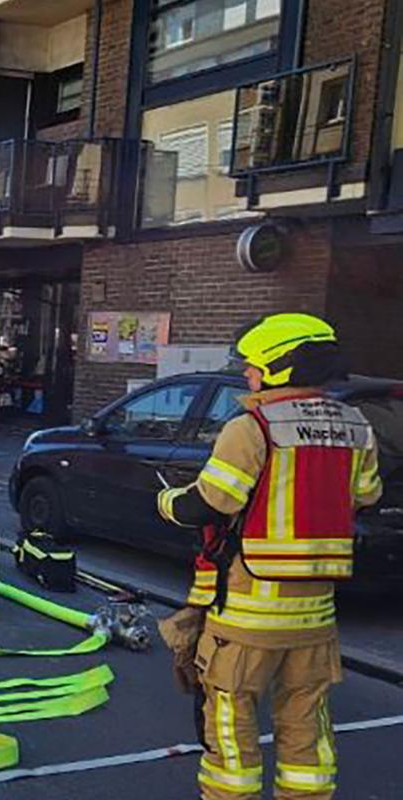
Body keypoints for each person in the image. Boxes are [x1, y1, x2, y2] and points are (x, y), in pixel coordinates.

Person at [156, 313, 380, 800]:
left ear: (281, 368)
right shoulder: (357, 426)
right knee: (306, 729)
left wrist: (168, 502)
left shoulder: (252, 426)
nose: (246, 375)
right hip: (316, 615)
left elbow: (211, 503)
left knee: (231, 729)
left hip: (247, 613)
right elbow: (364, 495)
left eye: (253, 367)